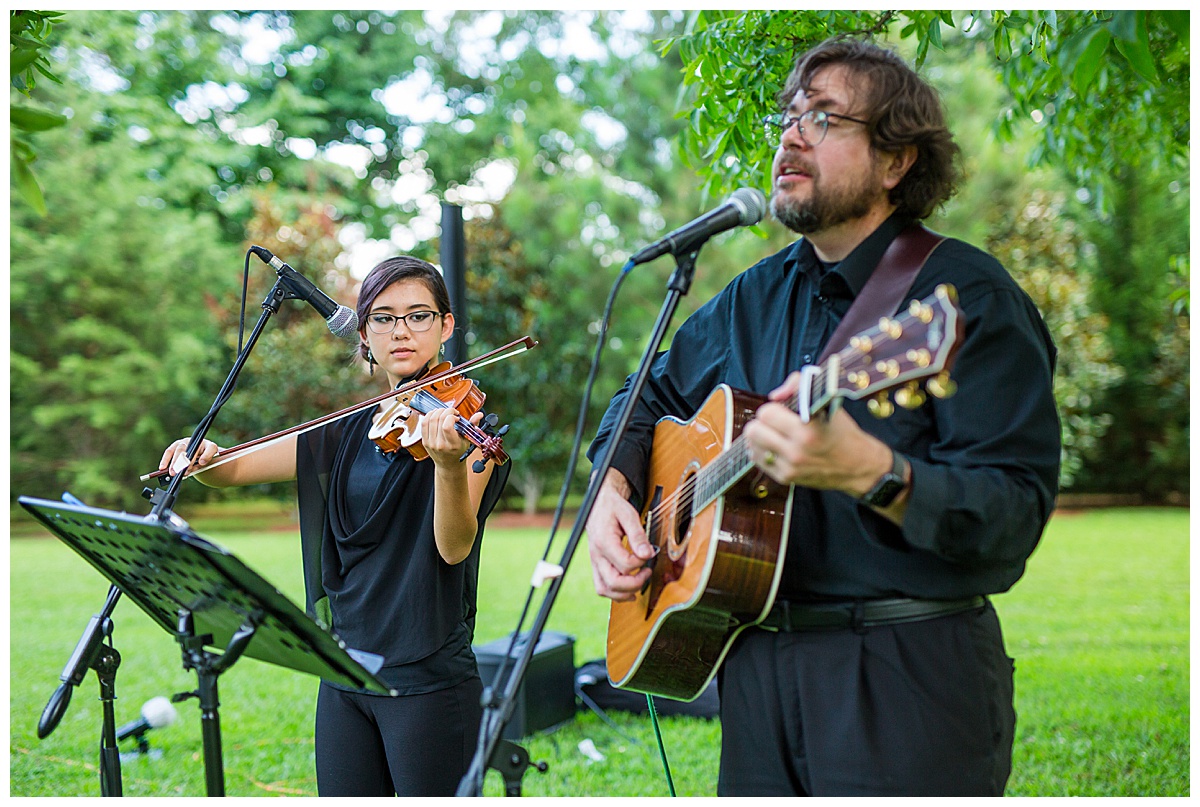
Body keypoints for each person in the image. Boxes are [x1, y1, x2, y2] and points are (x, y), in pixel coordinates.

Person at [585, 36, 1060, 796]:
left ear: (896, 160)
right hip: (751, 666)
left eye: (825, 118)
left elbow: (1014, 511)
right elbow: (642, 399)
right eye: (788, 117)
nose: (792, 134)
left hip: (905, 675)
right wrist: (611, 491)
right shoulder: (751, 296)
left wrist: (873, 471)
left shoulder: (965, 301)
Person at [159, 256, 510, 796]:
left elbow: (454, 545)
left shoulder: (468, 433)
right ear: (364, 333)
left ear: (446, 325)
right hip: (344, 670)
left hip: (425, 677)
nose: (401, 331)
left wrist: (445, 466)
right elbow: (233, 470)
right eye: (383, 318)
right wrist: (204, 455)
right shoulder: (345, 431)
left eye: (418, 315)